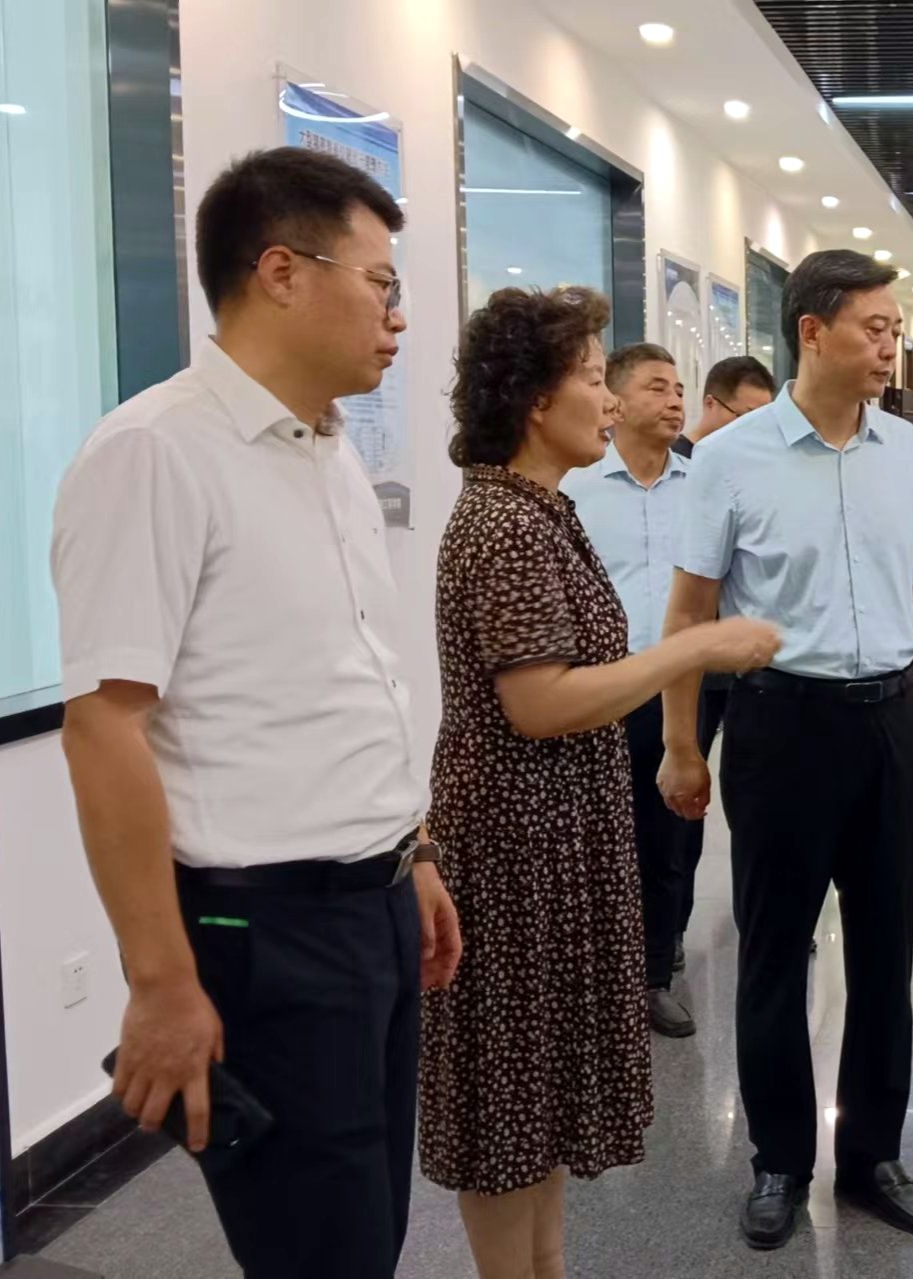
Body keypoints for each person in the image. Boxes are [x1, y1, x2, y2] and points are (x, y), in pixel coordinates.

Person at [52, 147, 461, 1278]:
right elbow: (105, 728)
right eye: (380, 283)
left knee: (369, 1231)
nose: (397, 315)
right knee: (321, 1249)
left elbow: (343, 684)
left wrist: (414, 852)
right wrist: (159, 981)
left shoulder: (326, 449)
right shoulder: (155, 453)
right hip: (264, 931)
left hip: (372, 905)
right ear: (281, 272)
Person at [419, 287, 779, 1279]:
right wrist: (694, 646)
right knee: (507, 1104)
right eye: (590, 377)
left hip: (557, 839)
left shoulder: (542, 511)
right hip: (512, 850)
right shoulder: (504, 525)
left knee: (537, 1101)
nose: (610, 399)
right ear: (536, 400)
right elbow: (539, 703)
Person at [657, 249, 913, 1250]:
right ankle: (778, 1160)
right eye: (875, 329)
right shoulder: (730, 458)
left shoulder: (906, 451)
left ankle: (874, 1154)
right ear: (813, 330)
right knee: (772, 953)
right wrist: (680, 744)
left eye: (895, 331)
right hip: (780, 726)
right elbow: (690, 611)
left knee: (886, 953)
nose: (891, 348)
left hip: (890, 722)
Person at [561, 342, 697, 1036]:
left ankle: (653, 976)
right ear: (615, 401)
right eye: (656, 387)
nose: (674, 400)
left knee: (670, 837)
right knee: (595, 837)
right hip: (599, 688)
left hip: (679, 686)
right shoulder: (576, 487)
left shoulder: (701, 485)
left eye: (679, 389)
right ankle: (593, 974)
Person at [668, 354, 779, 972]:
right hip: (686, 667)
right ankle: (670, 933)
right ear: (712, 405)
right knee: (680, 807)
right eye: (747, 416)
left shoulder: (758, 470)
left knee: (756, 808)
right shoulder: (680, 468)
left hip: (742, 671)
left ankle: (769, 917)